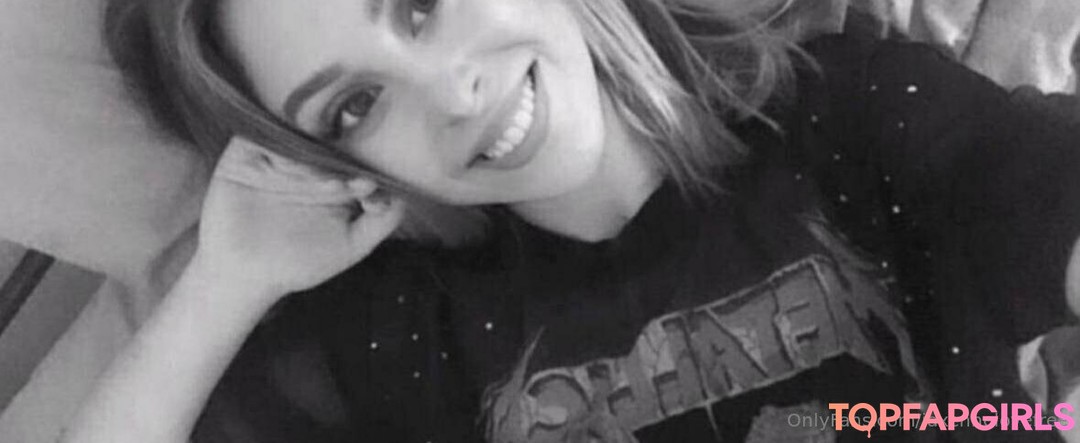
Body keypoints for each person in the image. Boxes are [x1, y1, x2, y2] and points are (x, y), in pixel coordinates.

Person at [64, 0, 1080, 441]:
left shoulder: (849, 122)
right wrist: (224, 280)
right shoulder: (397, 333)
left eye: (420, 5)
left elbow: (1027, 186)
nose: (450, 94)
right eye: (355, 107)